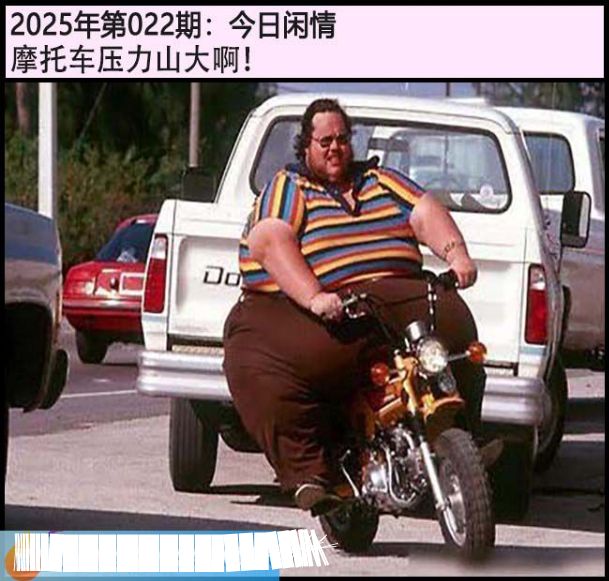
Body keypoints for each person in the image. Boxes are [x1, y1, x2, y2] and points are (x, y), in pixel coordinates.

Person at [223, 98, 496, 516]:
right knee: (269, 362)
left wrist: (456, 256)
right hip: (331, 304)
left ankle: (461, 436)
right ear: (306, 146)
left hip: (397, 293)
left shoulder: (379, 179)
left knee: (456, 330)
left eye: (342, 139)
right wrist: (314, 297)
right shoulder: (289, 186)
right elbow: (269, 240)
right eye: (325, 141)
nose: (335, 148)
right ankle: (312, 474)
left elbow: (425, 211)